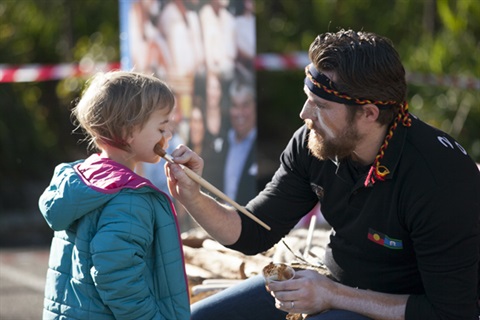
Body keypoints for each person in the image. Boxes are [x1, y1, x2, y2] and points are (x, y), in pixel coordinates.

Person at [165, 29, 480, 319]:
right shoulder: (314, 142)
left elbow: (450, 312)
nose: (304, 115)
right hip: (331, 285)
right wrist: (193, 196)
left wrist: (333, 296)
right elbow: (255, 231)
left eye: (320, 105)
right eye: (307, 97)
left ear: (369, 114)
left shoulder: (440, 177)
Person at [38, 71, 190, 320]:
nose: (168, 136)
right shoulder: (130, 198)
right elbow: (117, 276)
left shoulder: (81, 178)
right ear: (129, 132)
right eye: (162, 127)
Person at [222, 78, 257, 205]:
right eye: (235, 106)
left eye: (245, 105)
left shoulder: (263, 146)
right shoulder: (223, 142)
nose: (239, 113)